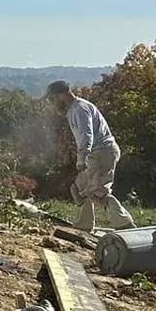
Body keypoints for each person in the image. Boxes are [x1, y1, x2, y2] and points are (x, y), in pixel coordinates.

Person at [46, 81, 134, 231]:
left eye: (52, 99)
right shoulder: (75, 109)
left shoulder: (80, 109)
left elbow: (86, 135)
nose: (52, 103)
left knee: (97, 193)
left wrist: (82, 158)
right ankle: (84, 225)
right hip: (97, 153)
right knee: (79, 187)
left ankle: (124, 224)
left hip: (101, 153)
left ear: (61, 95)